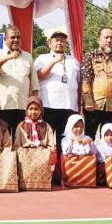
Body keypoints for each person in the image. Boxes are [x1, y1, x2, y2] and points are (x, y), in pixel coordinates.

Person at [34, 31, 80, 162]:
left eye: (62, 40)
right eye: (56, 40)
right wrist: (54, 61)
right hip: (48, 105)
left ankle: (61, 172)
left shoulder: (73, 60)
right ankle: (42, 168)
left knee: (64, 140)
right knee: (44, 139)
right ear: (49, 43)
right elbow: (39, 75)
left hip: (69, 106)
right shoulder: (42, 58)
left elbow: (79, 83)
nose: (59, 43)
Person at [80, 27, 112, 140]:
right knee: (89, 137)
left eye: (111, 38)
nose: (109, 40)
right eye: (106, 37)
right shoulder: (90, 56)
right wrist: (88, 101)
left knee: (109, 138)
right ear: (98, 39)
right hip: (94, 104)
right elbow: (85, 79)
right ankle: (90, 158)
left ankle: (107, 158)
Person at [0, 26, 39, 132]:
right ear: (5, 39)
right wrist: (9, 57)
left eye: (18, 37)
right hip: (4, 105)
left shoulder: (28, 56)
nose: (16, 40)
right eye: (12, 37)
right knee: (4, 139)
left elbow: (34, 81)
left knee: (21, 138)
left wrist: (35, 102)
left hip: (23, 105)